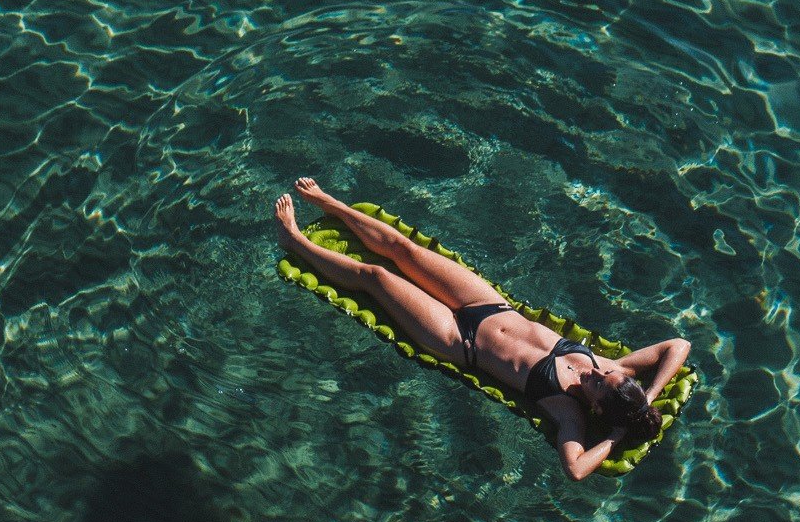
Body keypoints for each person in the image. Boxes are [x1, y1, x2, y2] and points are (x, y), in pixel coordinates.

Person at [275, 178, 691, 479]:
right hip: (488, 305)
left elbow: (576, 470)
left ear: (597, 409)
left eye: (600, 384)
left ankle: (296, 242)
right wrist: (648, 397)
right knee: (405, 249)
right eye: (608, 372)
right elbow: (678, 344)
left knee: (376, 277)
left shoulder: (569, 415)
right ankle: (332, 204)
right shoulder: (609, 367)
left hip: (460, 340)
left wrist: (615, 437)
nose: (598, 373)